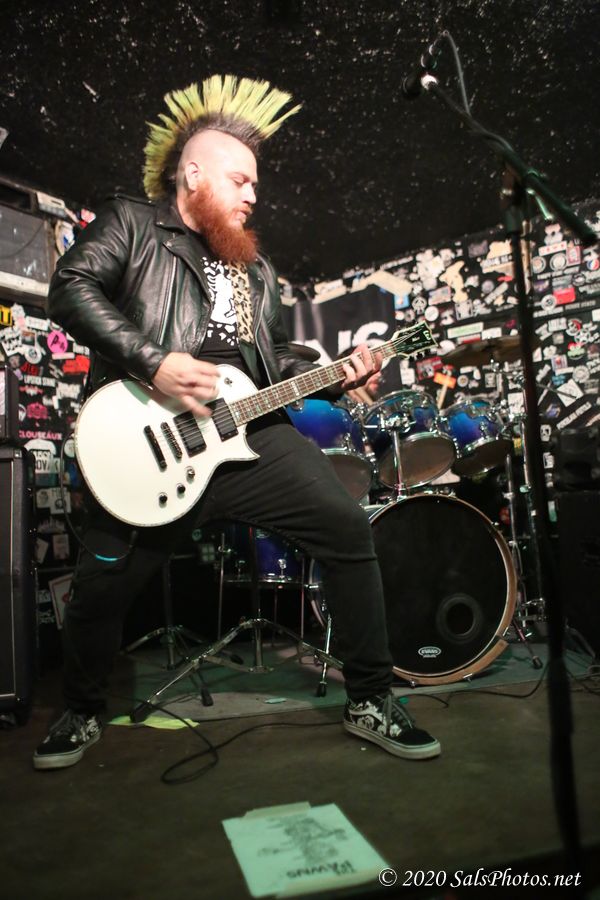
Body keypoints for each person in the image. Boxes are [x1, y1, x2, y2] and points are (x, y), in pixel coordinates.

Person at [34, 75, 440, 769]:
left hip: (250, 434)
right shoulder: (134, 223)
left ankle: (371, 699)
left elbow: (274, 361)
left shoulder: (257, 270)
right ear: (193, 175)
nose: (254, 195)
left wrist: (337, 376)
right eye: (240, 180)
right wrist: (154, 362)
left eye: (256, 184)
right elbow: (69, 287)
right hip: (154, 434)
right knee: (102, 587)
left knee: (347, 529)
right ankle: (81, 709)